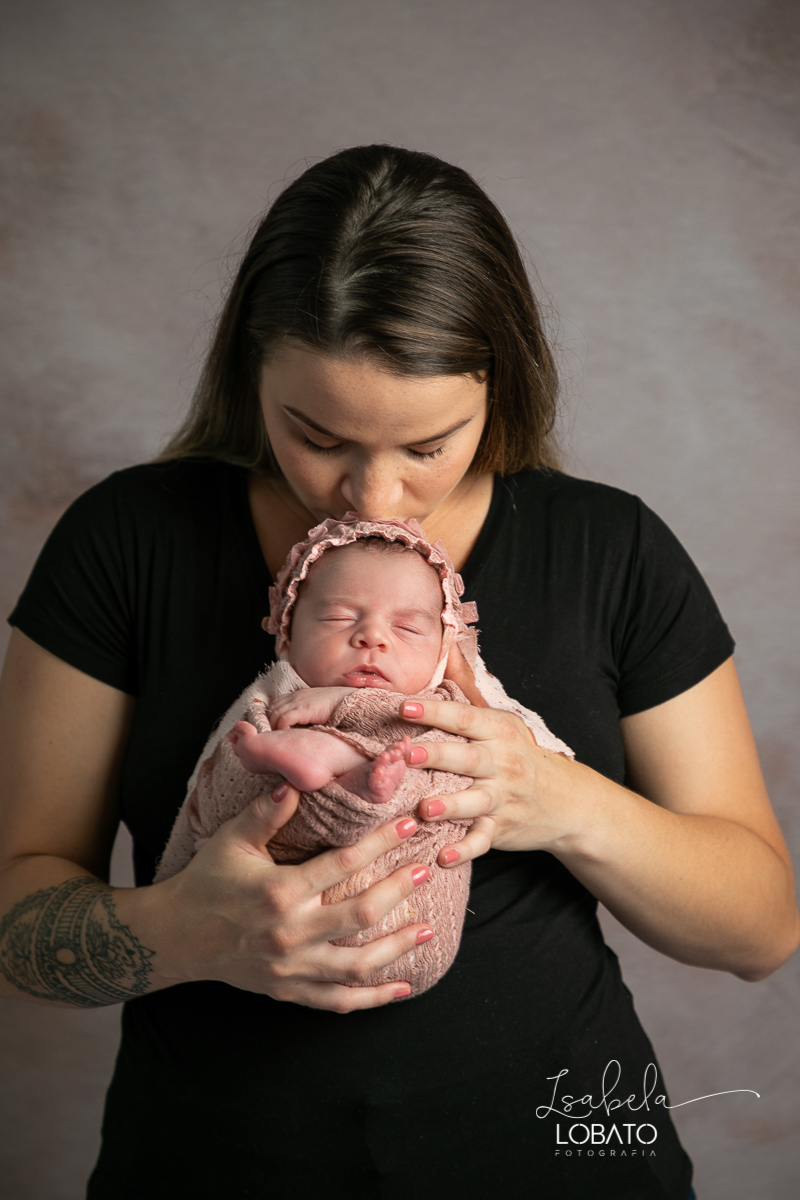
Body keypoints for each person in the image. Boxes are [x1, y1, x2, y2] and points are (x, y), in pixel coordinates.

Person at [0, 144, 796, 1200]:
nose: (372, 499)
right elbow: (16, 920)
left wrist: (554, 798)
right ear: (252, 374)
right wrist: (184, 931)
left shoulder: (611, 553)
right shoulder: (128, 541)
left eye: (429, 444)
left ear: (498, 389)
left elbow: (758, 932)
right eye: (314, 434)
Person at [153, 516, 572, 997]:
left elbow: (498, 766)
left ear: (441, 651)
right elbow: (214, 796)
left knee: (430, 770)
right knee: (244, 769)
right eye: (338, 618)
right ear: (287, 635)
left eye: (408, 627)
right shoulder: (274, 696)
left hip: (411, 935)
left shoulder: (446, 704)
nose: (373, 637)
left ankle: (336, 762)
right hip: (246, 931)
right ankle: (336, 770)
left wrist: (341, 707)